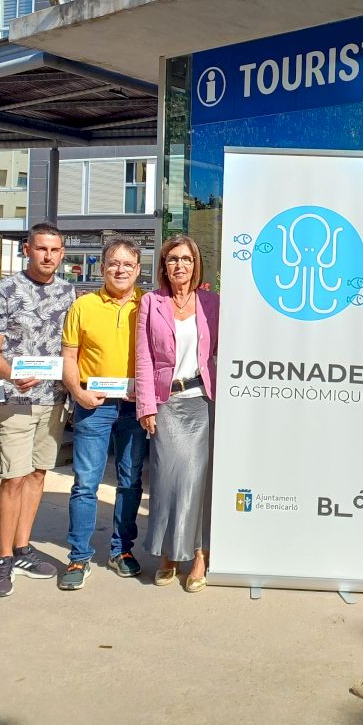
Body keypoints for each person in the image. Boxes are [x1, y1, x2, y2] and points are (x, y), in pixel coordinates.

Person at [0, 223, 76, 598]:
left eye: (54, 249)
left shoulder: (68, 292)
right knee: (13, 478)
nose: (47, 255)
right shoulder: (3, 291)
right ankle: (3, 557)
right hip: (16, 400)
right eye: (41, 248)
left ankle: (22, 547)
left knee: (37, 474)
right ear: (27, 250)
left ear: (62, 253)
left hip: (54, 400)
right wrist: (12, 375)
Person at [59, 238, 149, 590]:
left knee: (130, 481)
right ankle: (79, 556)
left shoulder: (149, 304)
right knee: (86, 483)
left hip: (134, 406)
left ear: (138, 269)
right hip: (92, 405)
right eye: (113, 263)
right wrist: (77, 392)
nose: (120, 269)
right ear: (102, 267)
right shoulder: (83, 305)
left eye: (127, 264)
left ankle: (121, 550)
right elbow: (69, 356)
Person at [135, 235, 219, 592]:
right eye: (172, 259)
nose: (179, 265)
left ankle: (199, 554)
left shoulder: (212, 302)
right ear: (164, 266)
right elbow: (143, 357)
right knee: (167, 480)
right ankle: (169, 553)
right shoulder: (151, 302)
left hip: (202, 401)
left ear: (195, 264)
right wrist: (146, 405)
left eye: (186, 259)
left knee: (198, 481)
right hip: (166, 402)